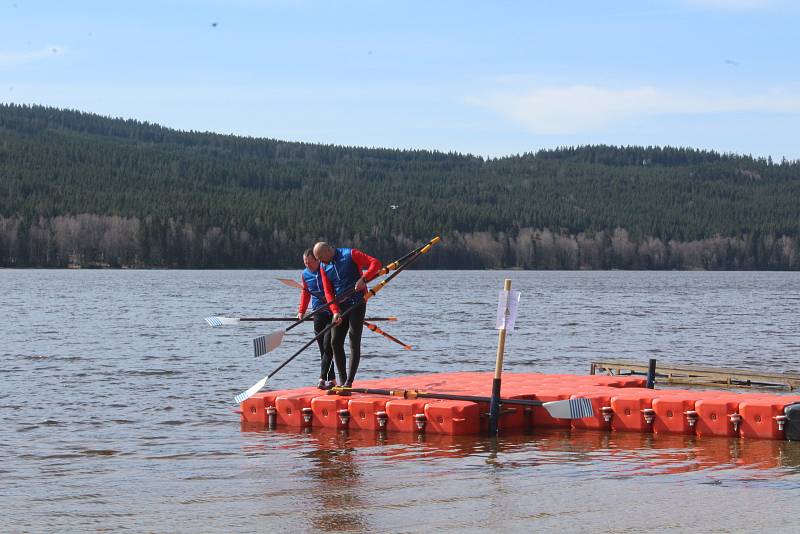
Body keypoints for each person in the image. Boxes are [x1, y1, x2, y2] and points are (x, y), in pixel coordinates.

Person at [312, 242, 382, 387]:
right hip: (340, 305)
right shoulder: (324, 267)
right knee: (335, 341)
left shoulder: (350, 254)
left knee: (353, 339)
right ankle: (342, 381)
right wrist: (335, 311)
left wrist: (364, 279)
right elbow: (328, 291)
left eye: (320, 257)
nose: (319, 261)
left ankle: (349, 382)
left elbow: (375, 263)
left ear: (327, 252)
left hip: (358, 301)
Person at [296, 249, 336, 389]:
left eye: (310, 263)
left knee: (327, 345)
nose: (308, 266)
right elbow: (305, 294)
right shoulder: (305, 274)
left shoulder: (327, 269)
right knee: (322, 348)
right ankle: (331, 380)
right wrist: (301, 311)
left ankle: (321, 378)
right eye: (305, 263)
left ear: (318, 260)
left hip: (332, 311)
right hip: (318, 313)